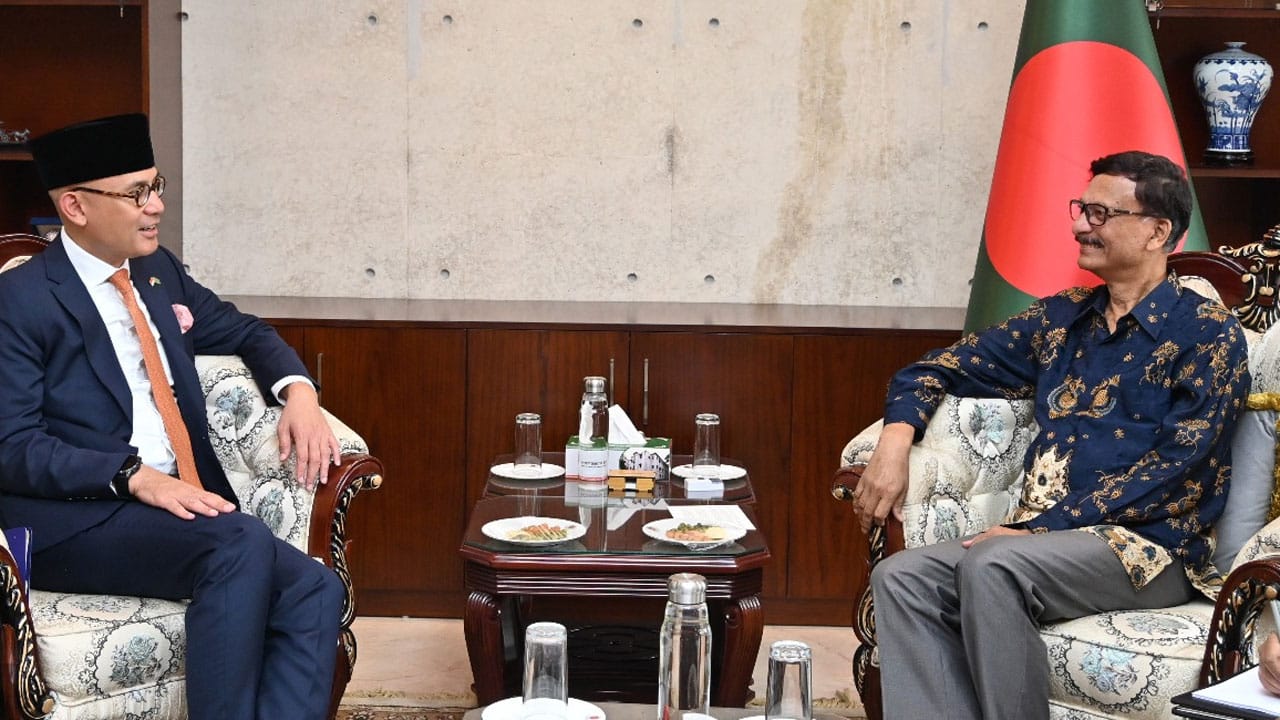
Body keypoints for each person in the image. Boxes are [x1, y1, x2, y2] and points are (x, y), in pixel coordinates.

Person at [857, 150, 1250, 719]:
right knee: (901, 576)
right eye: (1081, 209)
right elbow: (934, 368)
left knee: (994, 564)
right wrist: (893, 446)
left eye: (1100, 213)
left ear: (1157, 231)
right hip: (1035, 539)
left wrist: (1039, 529)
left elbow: (1177, 467)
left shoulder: (1208, 334)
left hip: (1149, 550)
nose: (1080, 226)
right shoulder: (1062, 319)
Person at [0, 114, 345, 719]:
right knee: (238, 543)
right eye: (136, 193)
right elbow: (13, 445)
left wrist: (299, 393)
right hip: (76, 518)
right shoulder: (20, 300)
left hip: (175, 509)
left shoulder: (158, 273)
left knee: (316, 588)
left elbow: (246, 330)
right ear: (76, 206)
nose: (156, 205)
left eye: (156, 186)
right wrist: (133, 477)